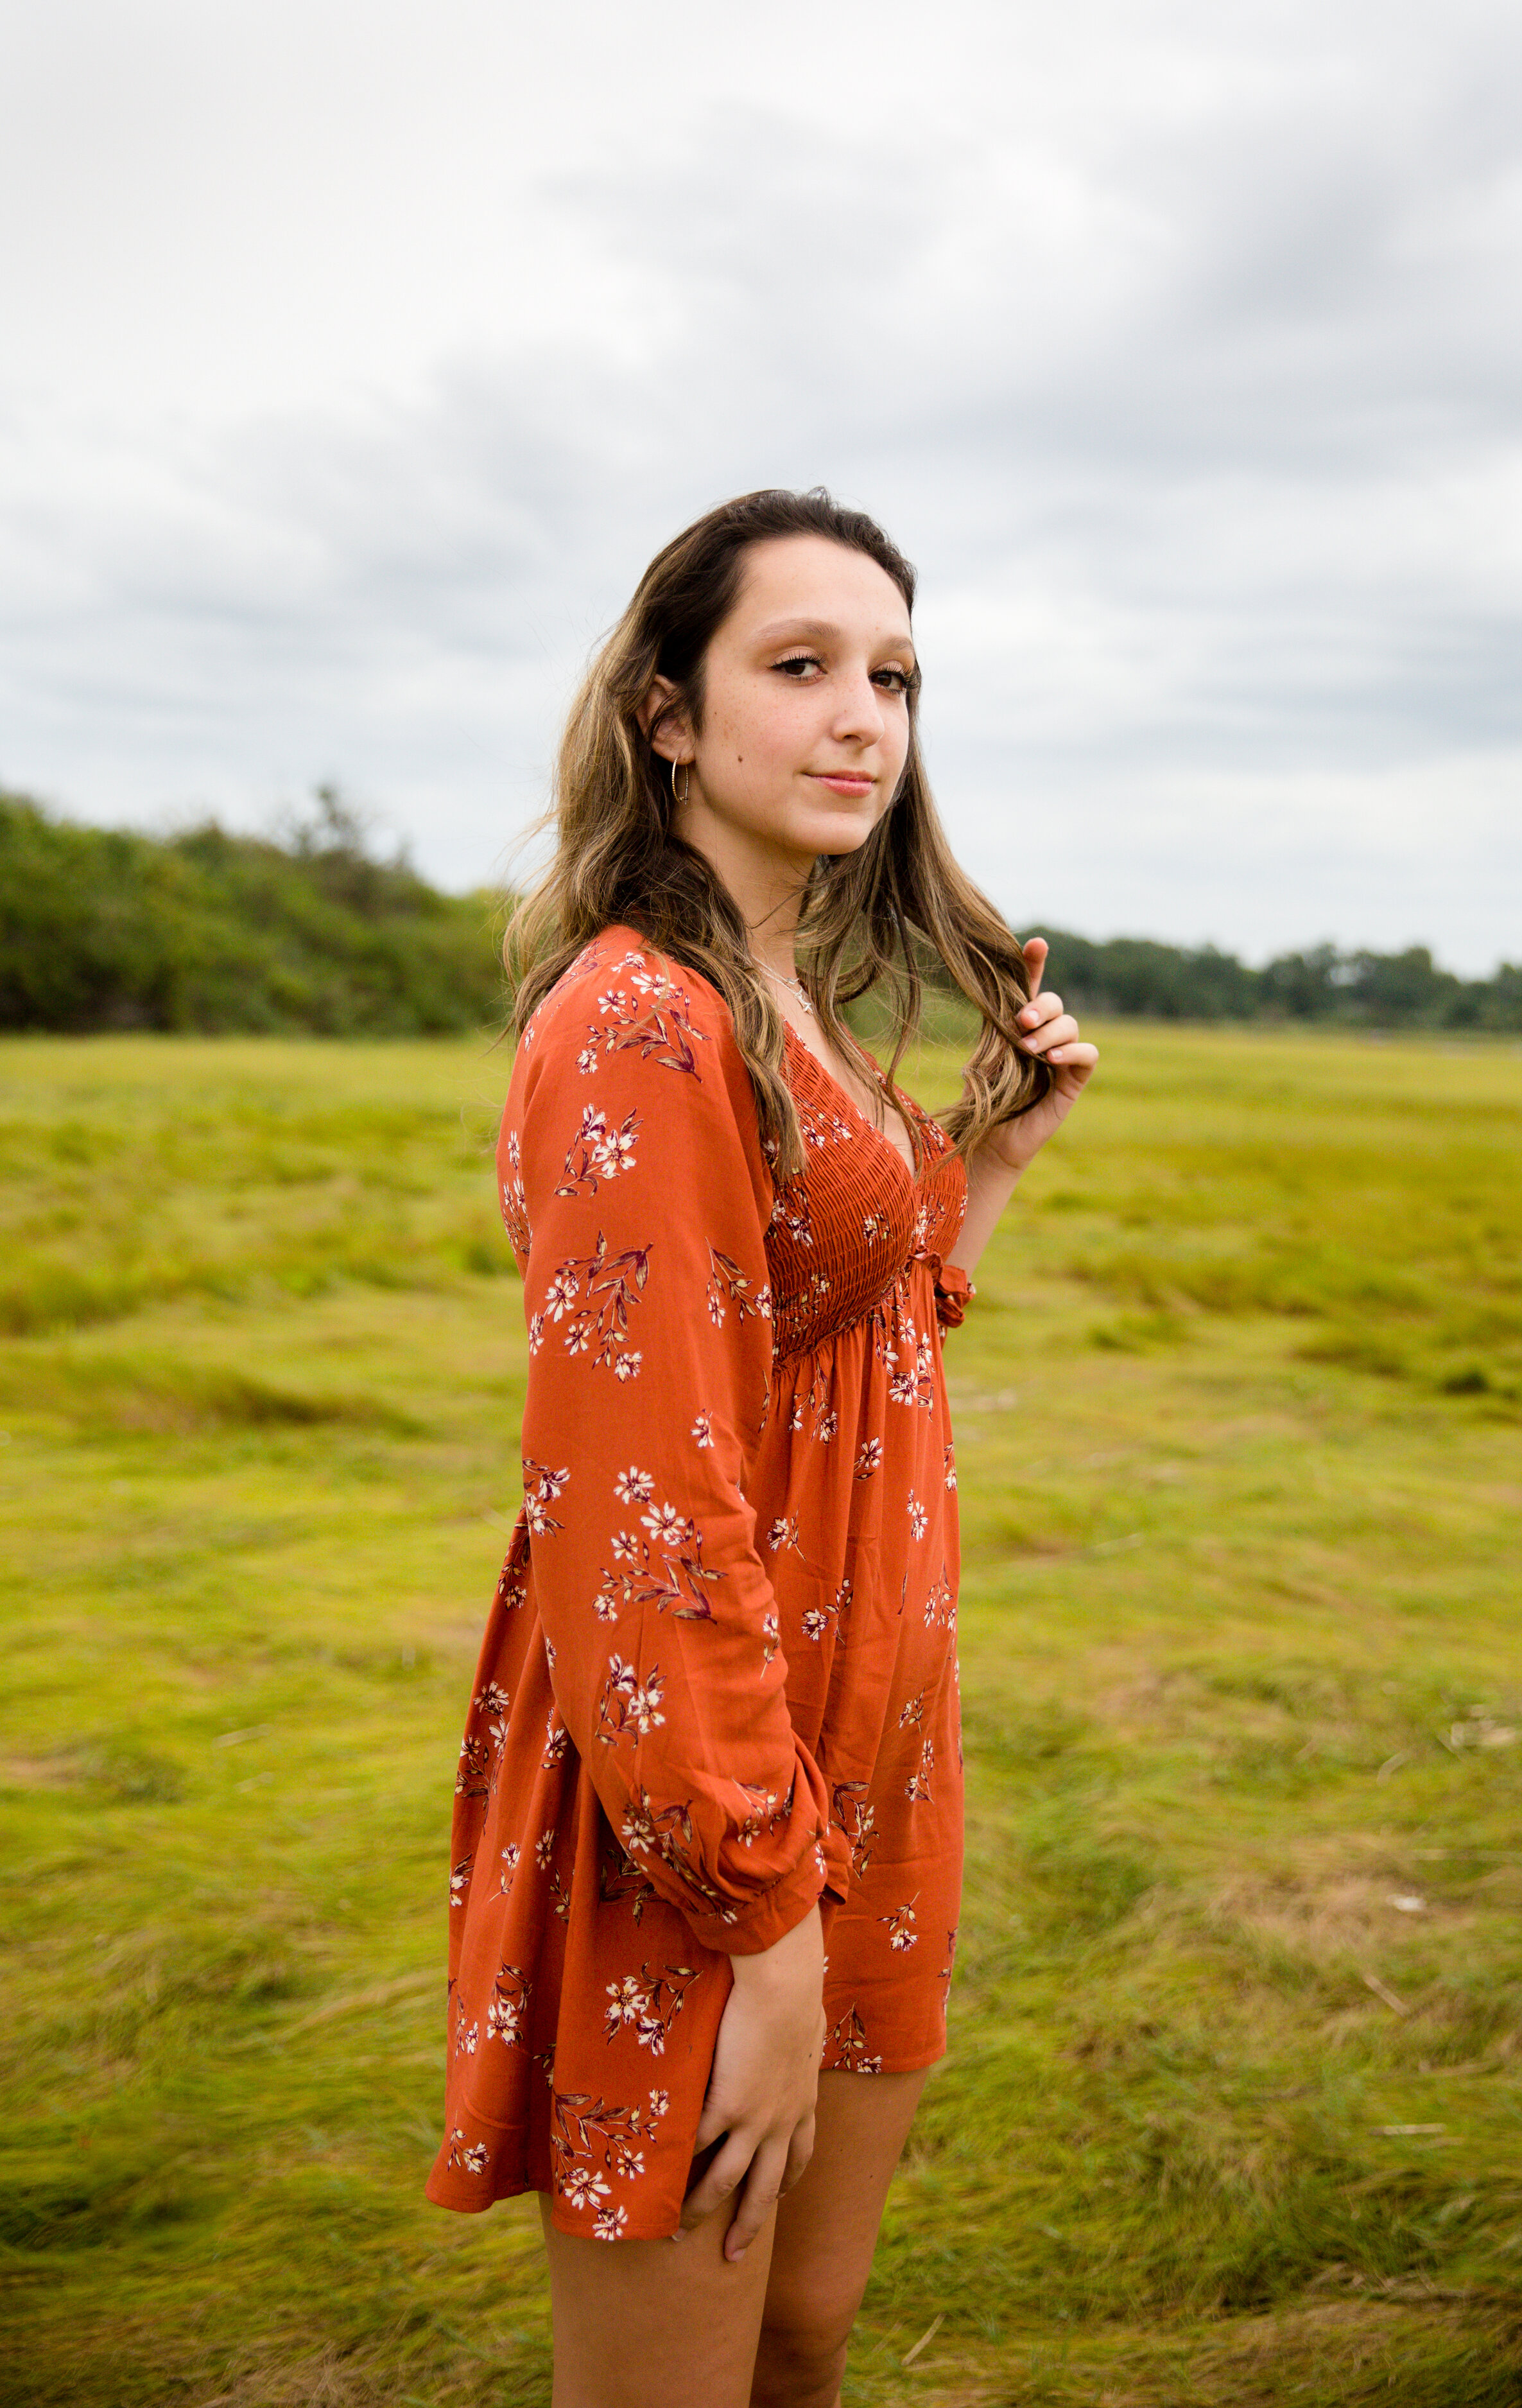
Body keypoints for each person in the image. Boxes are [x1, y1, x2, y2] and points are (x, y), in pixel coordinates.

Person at [424, 488, 1098, 2408]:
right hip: (709, 1788)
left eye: (888, 674)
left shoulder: (785, 993)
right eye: (795, 667)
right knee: (674, 2379)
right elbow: (640, 1512)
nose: (859, 716)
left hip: (869, 1740)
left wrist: (975, 1179)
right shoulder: (639, 1021)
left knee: (797, 2340)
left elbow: (837, 1356)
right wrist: (762, 1923)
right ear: (666, 714)